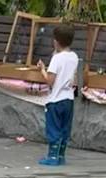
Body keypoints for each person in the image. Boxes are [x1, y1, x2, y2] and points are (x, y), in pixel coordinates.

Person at [36, 22, 78, 167]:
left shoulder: (56, 59)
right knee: (65, 128)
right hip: (69, 99)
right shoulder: (74, 57)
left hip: (55, 100)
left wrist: (42, 69)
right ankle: (61, 156)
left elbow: (50, 81)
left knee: (53, 128)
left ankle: (52, 156)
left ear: (56, 41)